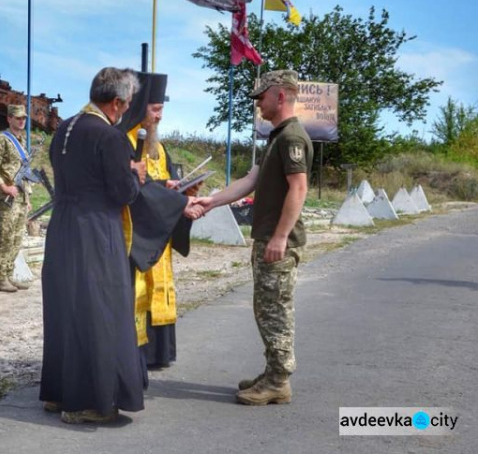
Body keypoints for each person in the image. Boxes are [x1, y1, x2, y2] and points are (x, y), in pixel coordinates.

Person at [195, 70, 313, 405]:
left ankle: (278, 381)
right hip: (267, 238)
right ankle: (272, 371)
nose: (258, 104)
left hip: (278, 242)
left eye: (261, 97)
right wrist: (212, 201)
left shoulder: (291, 138)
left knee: (275, 309)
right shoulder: (277, 136)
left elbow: (299, 188)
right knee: (265, 308)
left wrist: (280, 237)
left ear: (280, 96)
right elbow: (251, 181)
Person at [39, 67, 145, 424]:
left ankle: (58, 392)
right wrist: (136, 174)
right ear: (116, 102)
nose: (127, 109)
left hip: (63, 226)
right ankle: (88, 401)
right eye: (127, 104)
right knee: (98, 310)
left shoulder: (64, 128)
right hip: (96, 230)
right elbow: (122, 192)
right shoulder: (110, 137)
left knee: (65, 307)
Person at [118, 72, 197, 369]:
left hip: (159, 231)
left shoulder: (159, 148)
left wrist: (183, 191)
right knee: (138, 289)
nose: (159, 117)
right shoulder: (124, 141)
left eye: (162, 110)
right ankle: (139, 352)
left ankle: (160, 352)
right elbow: (135, 189)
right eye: (154, 110)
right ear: (139, 108)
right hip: (137, 233)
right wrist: (173, 199)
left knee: (161, 287)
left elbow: (161, 182)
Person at [0, 104, 32, 292]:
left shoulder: (22, 141)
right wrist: (3, 187)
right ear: (9, 118)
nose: (22, 121)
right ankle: (0, 277)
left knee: (17, 238)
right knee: (6, 237)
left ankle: (9, 274)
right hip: (7, 197)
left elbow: (23, 172)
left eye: (24, 118)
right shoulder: (2, 139)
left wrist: (28, 198)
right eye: (18, 118)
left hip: (21, 197)